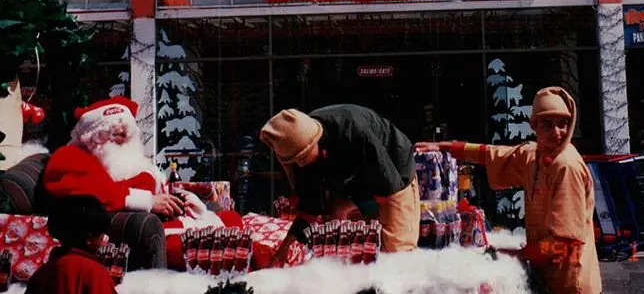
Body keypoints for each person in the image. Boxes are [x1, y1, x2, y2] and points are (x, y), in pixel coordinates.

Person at [416, 87, 602, 294]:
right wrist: (447, 147)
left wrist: (520, 254)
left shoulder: (566, 167)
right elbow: (492, 154)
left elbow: (565, 244)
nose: (556, 132)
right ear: (534, 126)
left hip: (571, 282)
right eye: (547, 125)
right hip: (549, 276)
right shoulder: (534, 155)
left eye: (563, 124)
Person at [43, 96, 242, 268]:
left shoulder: (131, 160)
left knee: (232, 219)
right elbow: (89, 192)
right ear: (91, 136)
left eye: (125, 133)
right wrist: (148, 201)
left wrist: (185, 201)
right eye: (113, 133)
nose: (121, 136)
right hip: (142, 230)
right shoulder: (70, 156)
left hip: (170, 221)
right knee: (226, 247)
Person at [259, 104, 419, 266]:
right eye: (294, 161)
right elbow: (310, 208)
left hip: (393, 174)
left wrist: (347, 206)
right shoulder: (299, 151)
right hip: (354, 183)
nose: (300, 164)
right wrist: (285, 248)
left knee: (395, 252)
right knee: (353, 252)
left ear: (315, 140)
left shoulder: (356, 131)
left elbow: (387, 191)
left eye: (302, 157)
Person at [25, 194, 116, 294]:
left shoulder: (42, 273)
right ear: (89, 237)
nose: (104, 238)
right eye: (101, 233)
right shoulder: (94, 274)